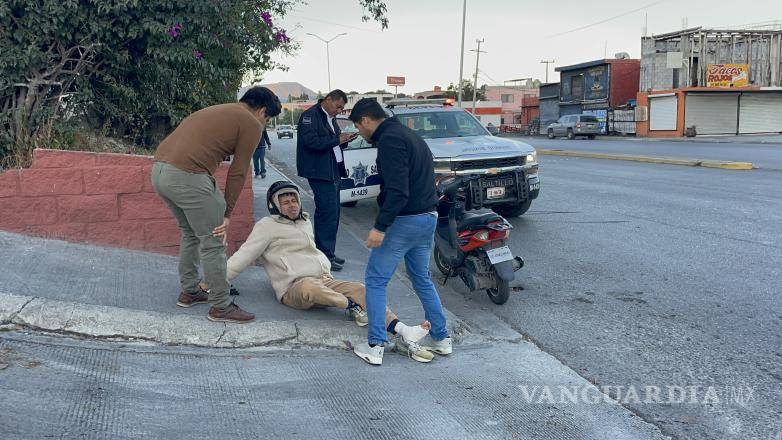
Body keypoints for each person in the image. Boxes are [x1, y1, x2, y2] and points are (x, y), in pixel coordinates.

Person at [224, 181, 434, 363]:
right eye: (285, 202)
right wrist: (217, 281)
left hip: (324, 279)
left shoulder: (304, 221)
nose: (292, 205)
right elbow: (244, 255)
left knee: (360, 288)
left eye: (294, 200)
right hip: (294, 287)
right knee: (310, 287)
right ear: (274, 205)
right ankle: (352, 307)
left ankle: (403, 330)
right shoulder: (266, 226)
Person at [152, 86, 281, 324]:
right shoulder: (251, 123)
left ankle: (190, 291)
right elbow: (238, 171)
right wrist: (228, 213)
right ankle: (221, 306)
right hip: (188, 176)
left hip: (160, 171)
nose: (264, 123)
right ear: (262, 111)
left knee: (190, 233)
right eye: (267, 118)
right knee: (214, 241)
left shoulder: (219, 109)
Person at [348, 98, 452, 365]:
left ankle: (375, 346)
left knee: (375, 280)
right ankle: (441, 338)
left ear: (366, 120)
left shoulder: (390, 141)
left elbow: (397, 191)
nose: (360, 133)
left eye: (359, 127)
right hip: (427, 217)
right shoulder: (409, 135)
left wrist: (380, 227)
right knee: (421, 278)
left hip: (404, 221)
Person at [296, 89, 357, 272]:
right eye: (338, 106)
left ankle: (328, 252)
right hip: (320, 172)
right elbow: (312, 142)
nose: (339, 111)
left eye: (341, 108)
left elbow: (333, 142)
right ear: (328, 100)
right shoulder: (311, 116)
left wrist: (346, 139)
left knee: (334, 214)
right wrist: (338, 139)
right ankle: (324, 256)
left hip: (333, 171)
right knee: (326, 214)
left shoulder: (330, 118)